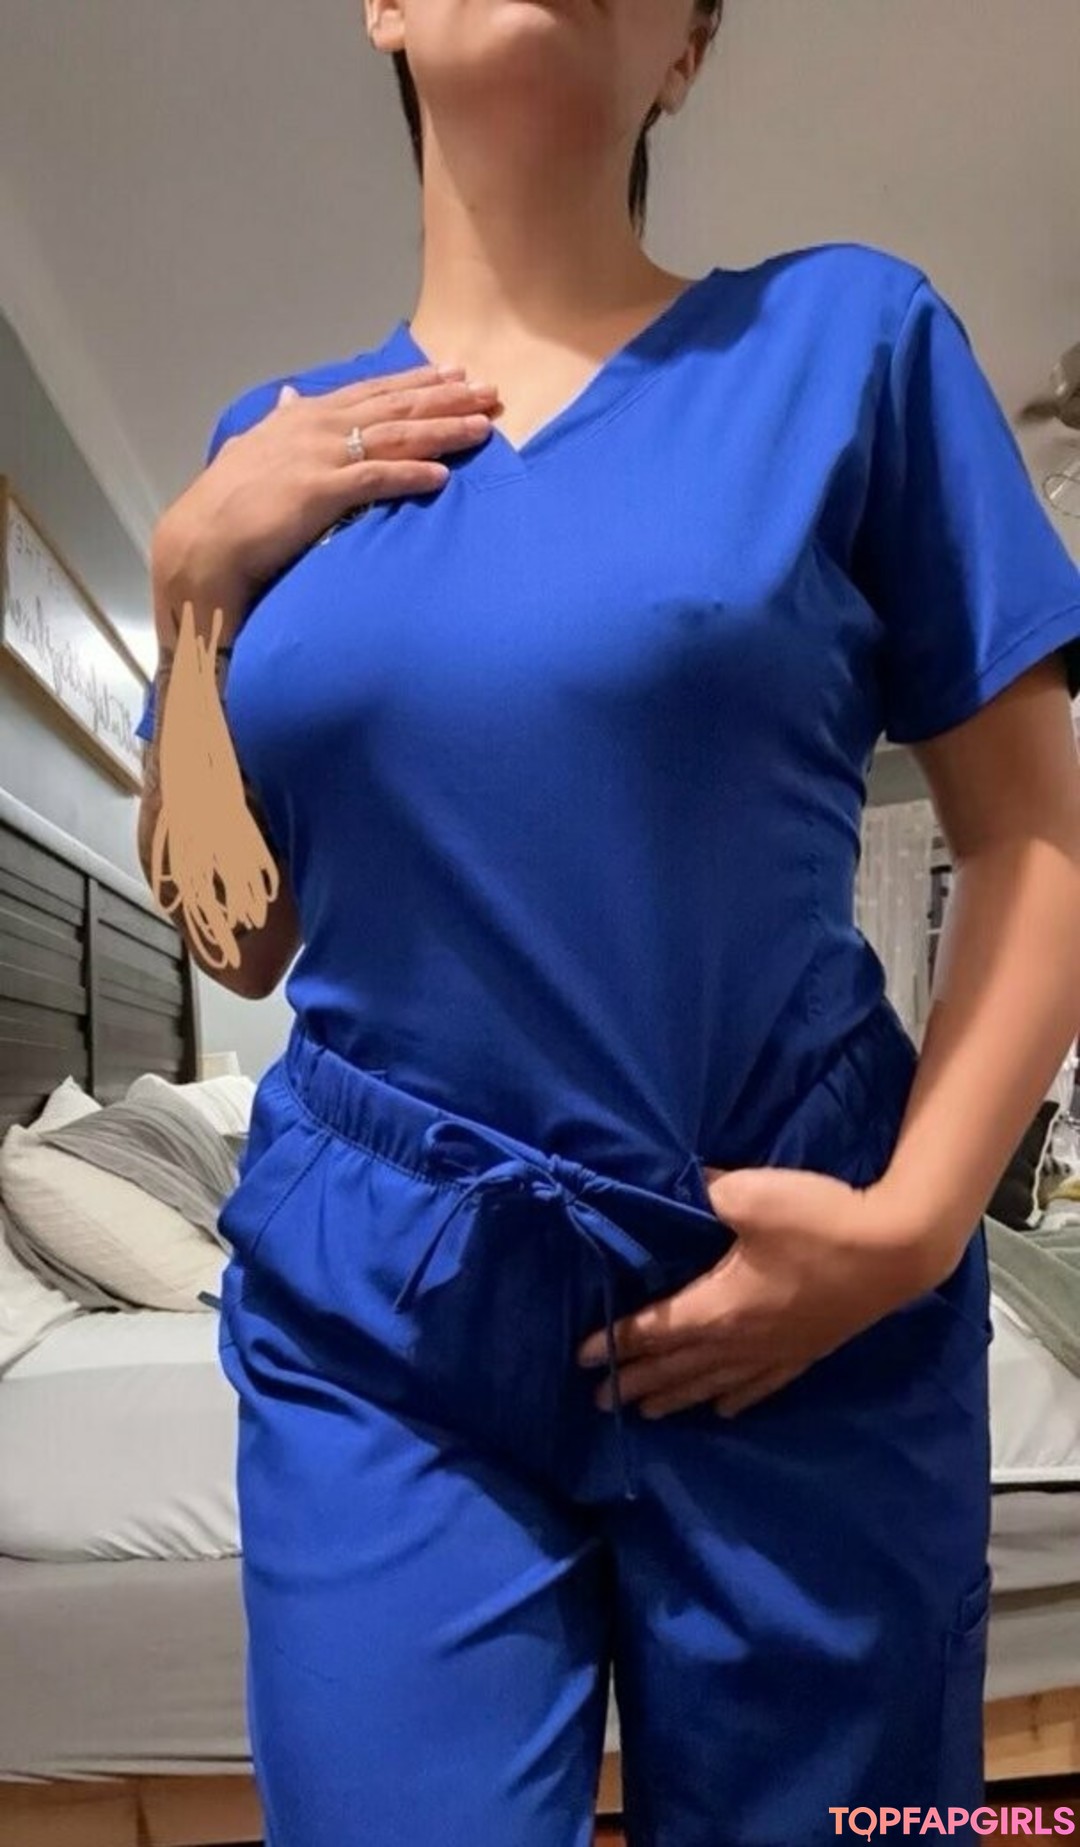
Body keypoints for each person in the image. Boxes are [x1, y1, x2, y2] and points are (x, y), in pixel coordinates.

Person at [135, 1, 1080, 1841]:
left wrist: (907, 1231)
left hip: (793, 1272)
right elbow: (240, 943)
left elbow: (1036, 836)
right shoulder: (268, 452)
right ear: (383, 7)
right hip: (385, 1323)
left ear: (687, 54)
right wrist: (187, 597)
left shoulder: (850, 345)